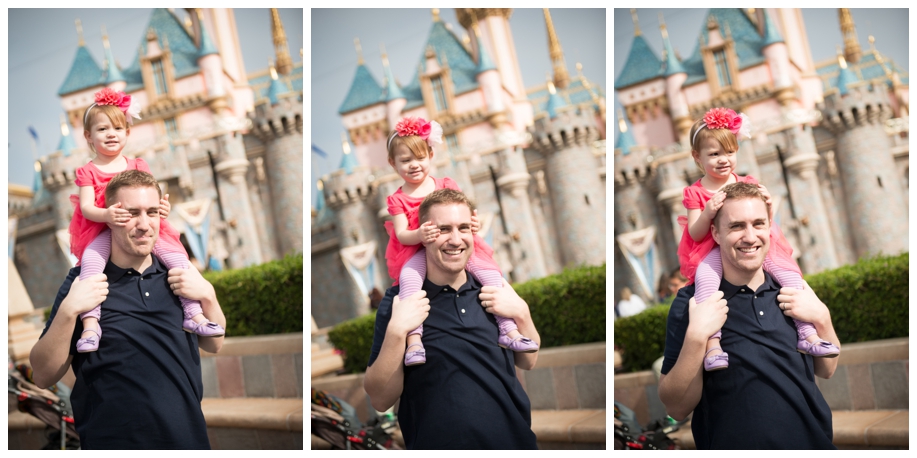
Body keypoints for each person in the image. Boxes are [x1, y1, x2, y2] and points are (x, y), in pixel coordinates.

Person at [30, 170, 226, 449]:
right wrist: (68, 311)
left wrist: (209, 294)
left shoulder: (179, 275)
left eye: (152, 212)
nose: (144, 224)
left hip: (187, 439)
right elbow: (42, 375)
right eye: (131, 213)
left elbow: (215, 344)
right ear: (109, 218)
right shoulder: (84, 283)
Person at [658, 182, 839, 449]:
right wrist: (697, 337)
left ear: (770, 227)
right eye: (736, 226)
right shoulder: (693, 302)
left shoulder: (792, 289)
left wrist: (823, 319)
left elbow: (827, 369)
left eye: (758, 224)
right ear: (716, 233)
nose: (750, 236)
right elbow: (676, 406)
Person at [364, 188, 540, 449]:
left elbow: (528, 360)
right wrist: (397, 331)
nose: (456, 239)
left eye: (463, 228)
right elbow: (380, 400)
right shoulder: (400, 301)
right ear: (424, 236)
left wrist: (522, 313)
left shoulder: (493, 288)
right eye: (443, 229)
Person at [677, 107, 838, 371]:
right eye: (714, 154)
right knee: (706, 284)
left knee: (791, 277)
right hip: (713, 249)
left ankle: (807, 335)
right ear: (697, 157)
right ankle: (713, 347)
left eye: (729, 152)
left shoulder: (747, 181)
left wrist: (769, 206)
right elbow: (695, 233)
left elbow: (765, 220)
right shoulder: (695, 192)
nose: (723, 159)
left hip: (757, 246)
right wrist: (708, 211)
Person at [70, 88, 223, 353]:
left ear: (127, 133)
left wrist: (162, 206)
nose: (111, 134)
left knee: (179, 261)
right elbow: (85, 208)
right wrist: (106, 214)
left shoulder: (137, 164)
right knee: (92, 268)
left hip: (142, 229)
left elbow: (153, 195)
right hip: (104, 231)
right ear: (88, 136)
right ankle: (91, 327)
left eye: (117, 128)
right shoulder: (88, 171)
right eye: (102, 129)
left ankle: (194, 314)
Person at [383, 116, 537, 367]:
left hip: (452, 246)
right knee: (409, 283)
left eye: (419, 158)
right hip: (418, 251)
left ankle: (509, 331)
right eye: (405, 160)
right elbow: (401, 234)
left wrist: (472, 225)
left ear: (431, 155)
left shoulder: (444, 184)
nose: (414, 165)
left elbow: (463, 214)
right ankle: (414, 343)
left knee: (491, 276)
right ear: (393, 163)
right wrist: (419, 235)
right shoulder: (398, 199)